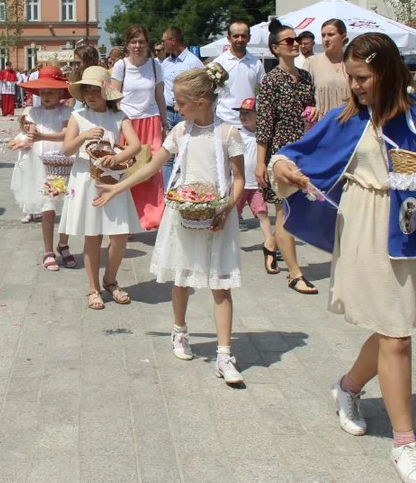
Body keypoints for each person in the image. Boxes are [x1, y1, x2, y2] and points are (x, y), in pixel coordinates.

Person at [271, 32, 416, 483]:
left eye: (362, 78)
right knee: (397, 333)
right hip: (365, 225)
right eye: (351, 77)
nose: (355, 86)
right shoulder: (347, 118)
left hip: (410, 227)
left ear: (389, 71)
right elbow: (294, 154)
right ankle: (405, 446)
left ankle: (348, 387)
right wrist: (281, 166)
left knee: (391, 326)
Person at [96, 66, 246, 384]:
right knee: (182, 280)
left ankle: (224, 354)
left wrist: (226, 208)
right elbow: (151, 167)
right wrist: (116, 187)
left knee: (221, 286)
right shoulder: (180, 133)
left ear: (202, 101)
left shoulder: (228, 134)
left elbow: (239, 179)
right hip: (184, 217)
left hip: (218, 217)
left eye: (180, 102)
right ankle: (179, 331)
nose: (176, 108)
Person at [60, 66, 142, 310]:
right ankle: (93, 288)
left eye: (95, 90)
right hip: (86, 178)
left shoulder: (119, 116)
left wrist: (116, 158)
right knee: (92, 235)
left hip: (113, 179)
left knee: (118, 236)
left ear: (106, 92)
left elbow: (136, 145)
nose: (90, 95)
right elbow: (67, 150)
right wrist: (83, 136)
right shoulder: (78, 117)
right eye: (86, 90)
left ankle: (110, 280)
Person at [255, 18, 318, 294]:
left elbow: (310, 109)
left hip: (303, 149)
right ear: (275, 48)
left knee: (298, 208)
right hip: (279, 152)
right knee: (284, 211)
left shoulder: (305, 77)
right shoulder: (271, 81)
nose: (295, 44)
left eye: (297, 40)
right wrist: (260, 162)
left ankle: (270, 244)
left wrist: (314, 112)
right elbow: (264, 124)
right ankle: (295, 274)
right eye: (289, 41)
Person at [11, 66, 73, 270]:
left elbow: (66, 133)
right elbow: (30, 132)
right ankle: (48, 250)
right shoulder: (32, 112)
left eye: (51, 92)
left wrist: (42, 136)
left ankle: (63, 244)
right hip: (40, 165)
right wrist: (25, 139)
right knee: (48, 207)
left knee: (68, 207)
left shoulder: (67, 111)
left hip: (63, 162)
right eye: (43, 92)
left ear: (59, 93)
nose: (46, 96)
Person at [110, 25, 168, 230]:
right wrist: (116, 124)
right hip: (128, 124)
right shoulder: (121, 66)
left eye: (141, 41)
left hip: (151, 121)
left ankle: (151, 218)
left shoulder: (155, 65)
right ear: (127, 44)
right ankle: (128, 218)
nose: (137, 46)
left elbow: (160, 96)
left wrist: (164, 123)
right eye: (133, 42)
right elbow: (114, 98)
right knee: (127, 171)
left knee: (152, 173)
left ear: (147, 43)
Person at [159, 26, 204, 183]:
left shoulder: (193, 63)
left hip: (187, 114)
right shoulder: (166, 63)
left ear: (173, 40)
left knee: (188, 152)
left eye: (164, 41)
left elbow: (202, 89)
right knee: (167, 155)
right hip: (168, 112)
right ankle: (166, 192)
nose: (162, 44)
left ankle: (187, 186)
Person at [235, 98, 274, 255]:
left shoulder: (263, 136)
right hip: (238, 184)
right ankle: (221, 244)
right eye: (241, 113)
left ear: (259, 115)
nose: (243, 116)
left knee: (262, 213)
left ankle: (270, 244)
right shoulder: (236, 134)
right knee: (231, 216)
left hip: (256, 184)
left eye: (248, 113)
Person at [214, 20, 265, 127]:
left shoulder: (256, 63)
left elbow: (263, 91)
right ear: (229, 38)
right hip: (224, 120)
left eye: (243, 36)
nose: (240, 39)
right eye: (236, 36)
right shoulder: (219, 62)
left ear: (249, 38)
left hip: (248, 122)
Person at [304, 18, 352, 118]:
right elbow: (303, 97)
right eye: (323, 35)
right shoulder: (312, 62)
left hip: (349, 123)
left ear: (342, 36)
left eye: (330, 35)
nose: (326, 39)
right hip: (323, 124)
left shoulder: (352, 62)